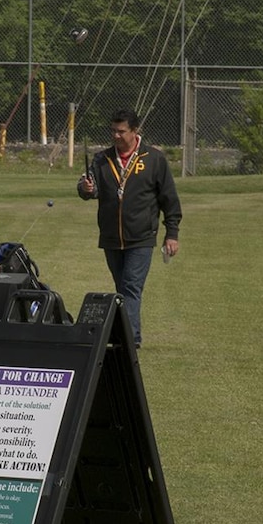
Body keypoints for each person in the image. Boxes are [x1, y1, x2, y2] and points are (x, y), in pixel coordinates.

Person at [75, 109, 181, 347]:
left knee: (131, 287)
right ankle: (129, 335)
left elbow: (169, 199)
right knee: (122, 288)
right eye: (112, 131)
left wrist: (171, 234)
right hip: (111, 237)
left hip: (141, 237)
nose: (115, 136)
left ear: (135, 131)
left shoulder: (154, 159)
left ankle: (129, 341)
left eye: (121, 131)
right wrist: (86, 189)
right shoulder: (102, 159)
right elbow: (89, 191)